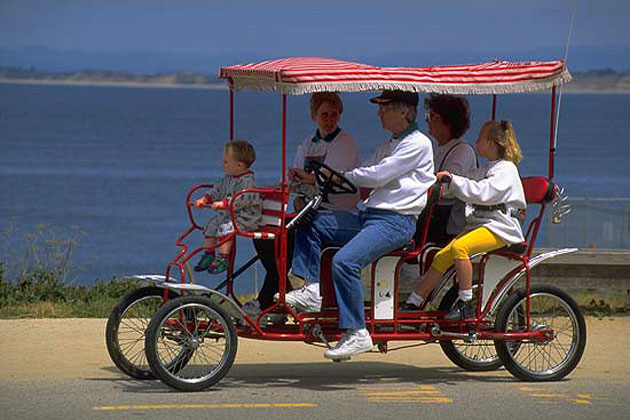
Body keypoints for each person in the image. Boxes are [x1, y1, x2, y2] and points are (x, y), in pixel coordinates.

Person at [290, 90, 435, 359]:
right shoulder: (390, 143)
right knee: (310, 220)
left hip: (395, 222)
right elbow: (365, 171)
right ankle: (312, 289)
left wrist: (340, 177)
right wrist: (333, 178)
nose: (378, 113)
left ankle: (357, 332)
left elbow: (377, 175)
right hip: (369, 217)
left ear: (402, 112)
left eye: (384, 108)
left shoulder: (417, 143)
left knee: (345, 262)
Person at [244, 92, 360, 316]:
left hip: (337, 211)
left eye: (334, 114)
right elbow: (297, 179)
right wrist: (294, 191)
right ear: (314, 116)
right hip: (310, 207)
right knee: (265, 236)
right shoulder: (309, 143)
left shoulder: (344, 143)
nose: (329, 119)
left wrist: (305, 179)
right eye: (324, 114)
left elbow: (332, 178)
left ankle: (270, 300)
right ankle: (279, 293)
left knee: (286, 238)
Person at [401, 120, 526, 319]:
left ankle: (465, 303)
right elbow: (466, 181)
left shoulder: (506, 170)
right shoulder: (487, 168)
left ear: (491, 143)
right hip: (483, 225)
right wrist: (440, 182)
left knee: (460, 248)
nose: (476, 142)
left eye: (479, 138)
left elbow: (483, 192)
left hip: (501, 228)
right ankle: (414, 303)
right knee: (442, 256)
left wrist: (454, 180)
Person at [193, 140, 262, 274]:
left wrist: (223, 204)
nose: (222, 164)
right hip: (230, 215)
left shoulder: (247, 181)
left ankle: (223, 258)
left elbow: (241, 200)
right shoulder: (228, 178)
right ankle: (209, 254)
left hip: (245, 218)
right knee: (211, 224)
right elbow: (217, 190)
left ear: (238, 165)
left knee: (225, 228)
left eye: (226, 162)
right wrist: (205, 199)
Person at [423, 94, 477, 245]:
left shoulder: (462, 151)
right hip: (435, 216)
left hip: (448, 224)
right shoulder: (437, 148)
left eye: (432, 115)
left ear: (447, 120)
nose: (427, 120)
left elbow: (448, 189)